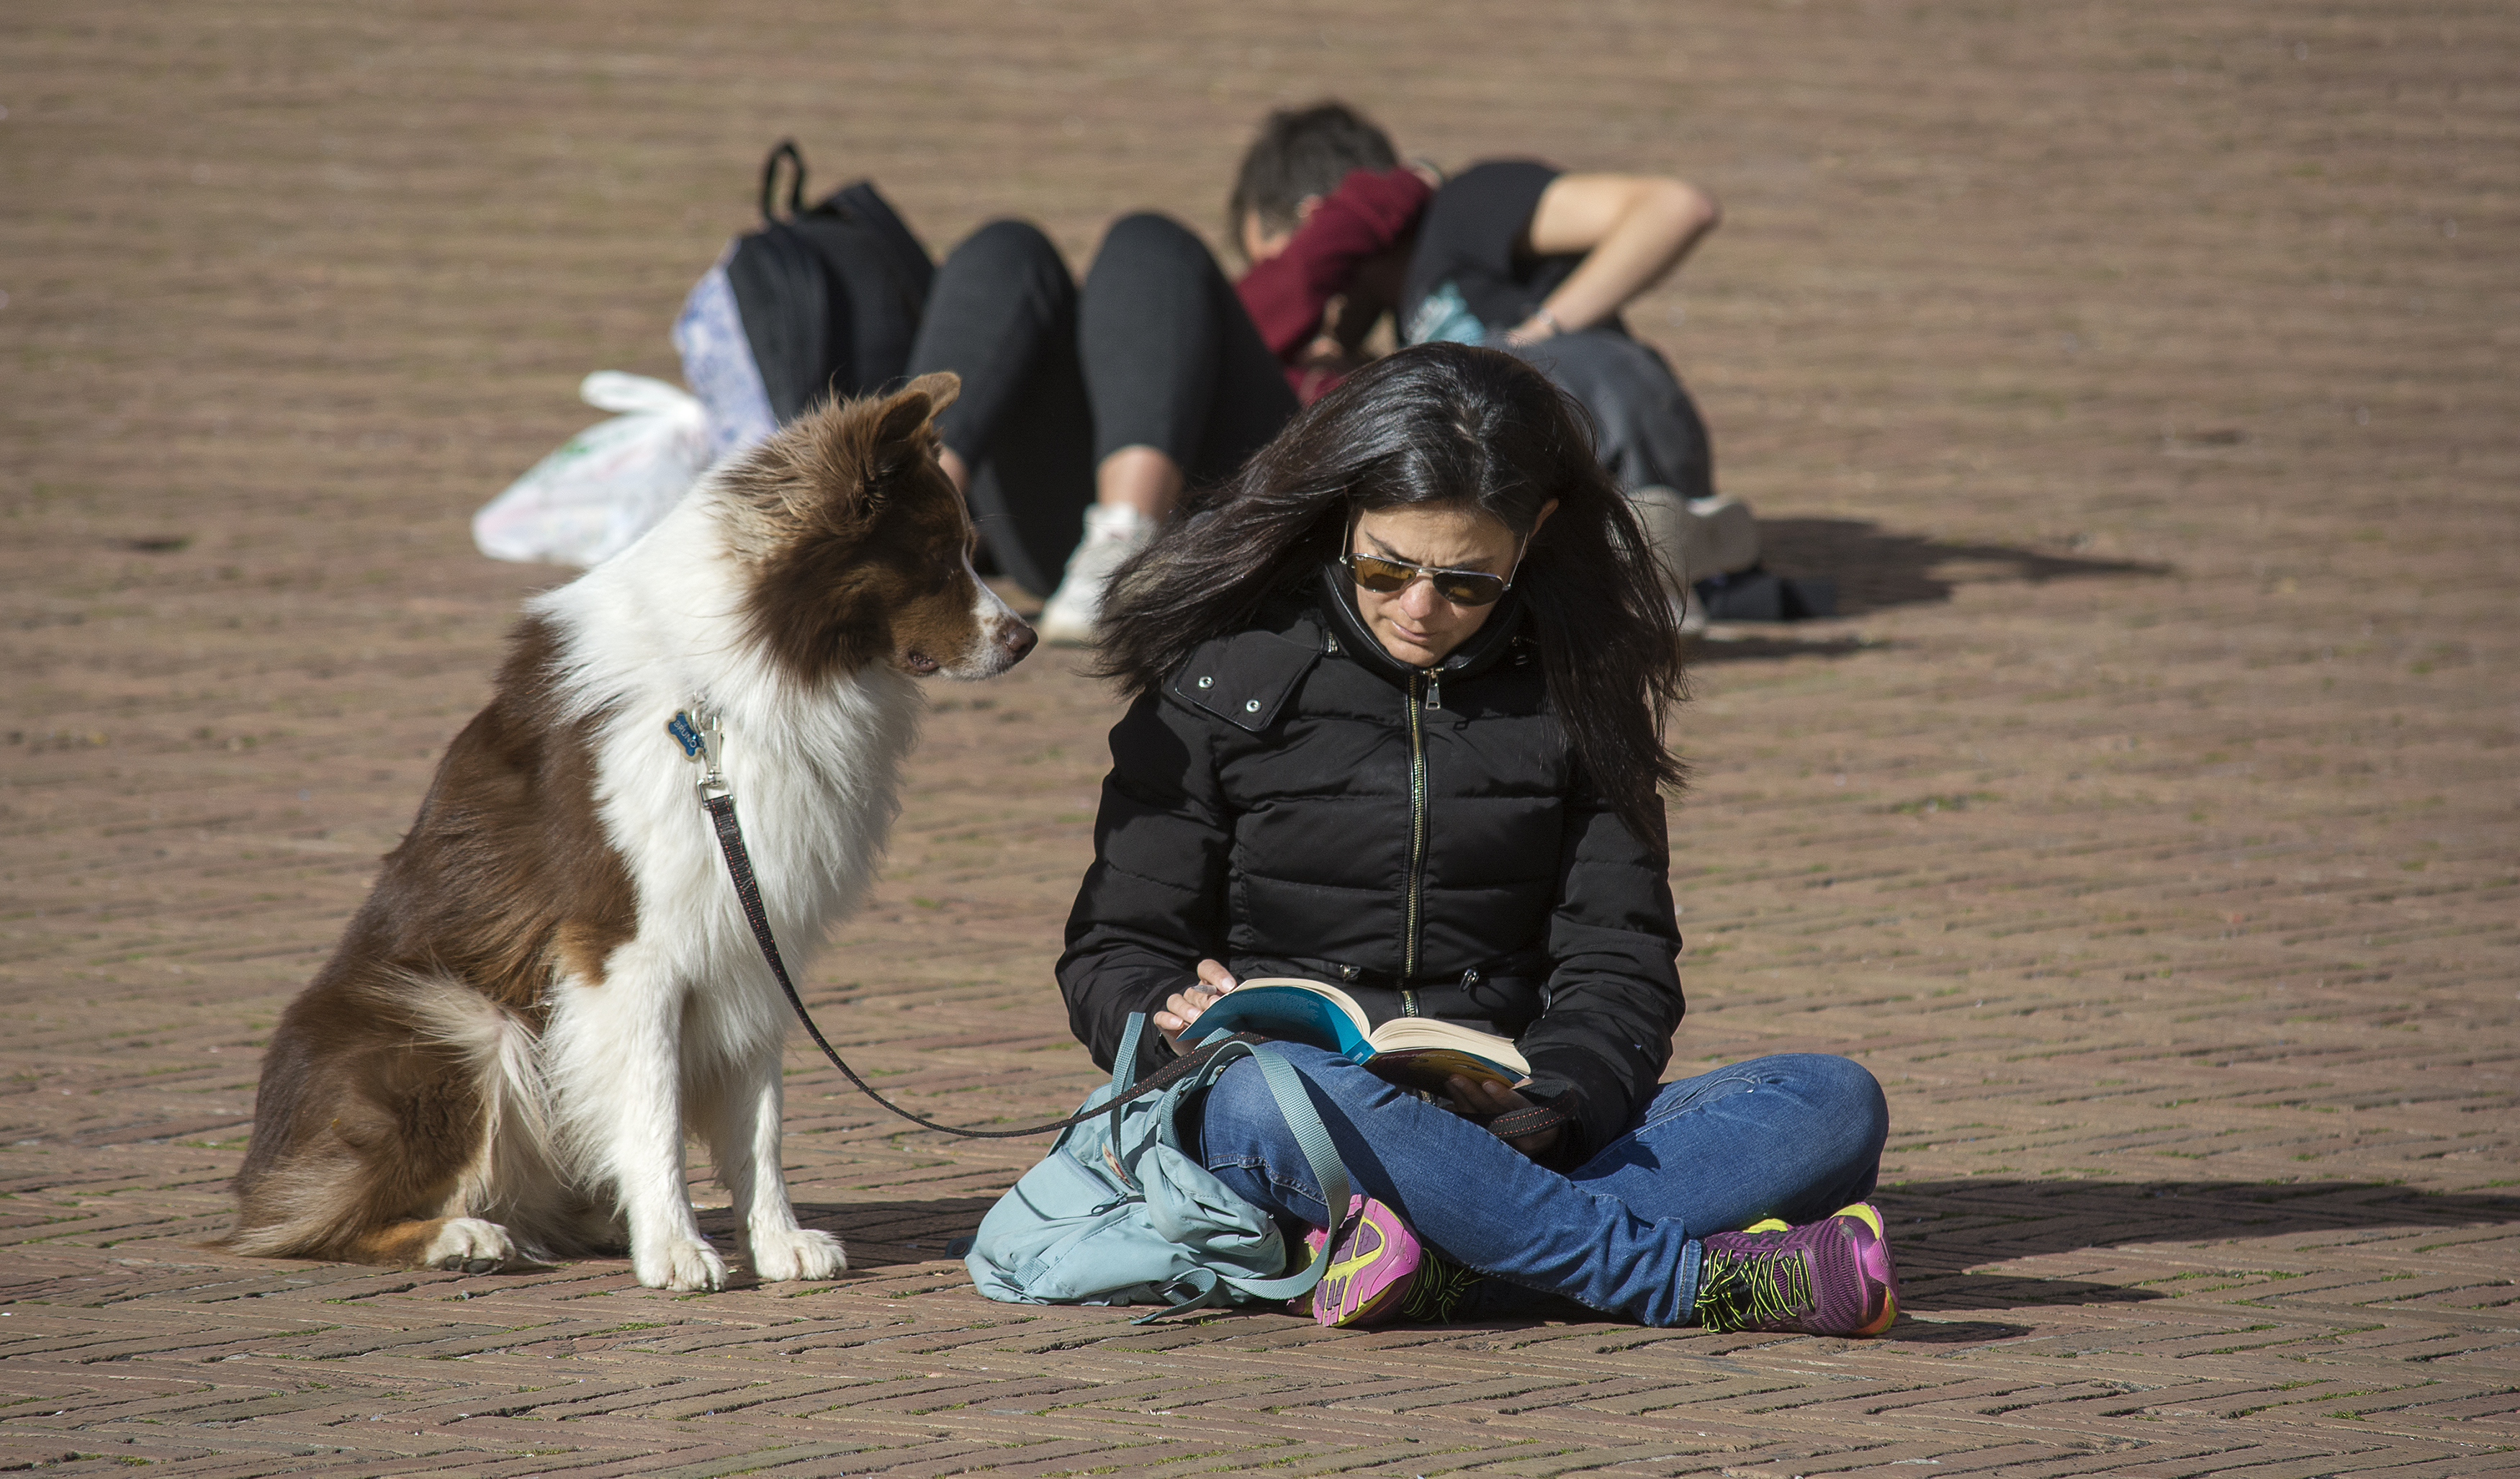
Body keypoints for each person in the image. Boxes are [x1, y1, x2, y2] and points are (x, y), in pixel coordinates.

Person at [1053, 342, 1897, 1332]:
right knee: (1259, 1097)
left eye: (1466, 581)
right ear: (1341, 511)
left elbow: (1620, 961)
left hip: (1515, 1115)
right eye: (1385, 565)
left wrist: (1559, 1099)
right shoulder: (1218, 673)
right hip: (1295, 1117)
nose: (1419, 607)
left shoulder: (1579, 684)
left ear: (1532, 534)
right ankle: (1680, 1280)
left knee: (1831, 1101)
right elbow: (1115, 950)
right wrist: (1168, 1014)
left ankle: (1440, 1263)